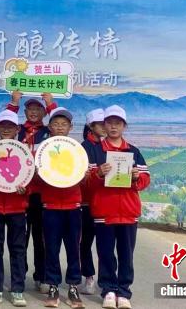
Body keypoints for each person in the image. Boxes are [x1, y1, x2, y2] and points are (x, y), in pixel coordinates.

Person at [88, 105, 150, 309]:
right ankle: (108, 290)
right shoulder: (95, 151)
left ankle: (123, 292)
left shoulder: (133, 152)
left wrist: (137, 177)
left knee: (126, 255)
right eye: (109, 123)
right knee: (105, 253)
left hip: (128, 212)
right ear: (104, 125)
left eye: (118, 123)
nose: (113, 127)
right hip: (104, 212)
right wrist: (98, 174)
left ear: (124, 126)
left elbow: (146, 179)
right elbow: (84, 182)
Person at [6, 91, 56, 294]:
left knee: (41, 236)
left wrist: (51, 103)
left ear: (43, 112)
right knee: (19, 238)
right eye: (30, 109)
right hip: (20, 192)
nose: (34, 112)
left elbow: (59, 121)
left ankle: (41, 276)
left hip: (42, 193)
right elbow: (6, 122)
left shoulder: (49, 132)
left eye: (38, 109)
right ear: (25, 112)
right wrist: (14, 102)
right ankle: (19, 276)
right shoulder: (17, 131)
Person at [37, 107, 84, 308]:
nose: (59, 127)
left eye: (64, 124)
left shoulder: (77, 150)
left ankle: (73, 287)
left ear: (70, 127)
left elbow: (85, 176)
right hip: (50, 206)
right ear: (49, 127)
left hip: (73, 206)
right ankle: (53, 286)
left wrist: (87, 176)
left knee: (74, 248)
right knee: (51, 248)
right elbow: (36, 179)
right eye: (55, 124)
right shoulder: (43, 151)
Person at [0, 110, 29, 307]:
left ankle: (17, 290)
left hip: (17, 209)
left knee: (18, 250)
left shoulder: (24, 152)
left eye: (10, 126)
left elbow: (31, 179)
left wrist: (25, 190)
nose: (6, 129)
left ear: (17, 129)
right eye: (3, 126)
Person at [79, 108, 106, 296]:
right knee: (85, 242)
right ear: (91, 126)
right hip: (86, 204)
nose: (105, 127)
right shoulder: (82, 148)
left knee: (105, 244)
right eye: (101, 124)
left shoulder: (109, 146)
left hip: (105, 203)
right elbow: (82, 179)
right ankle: (89, 277)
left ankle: (105, 279)